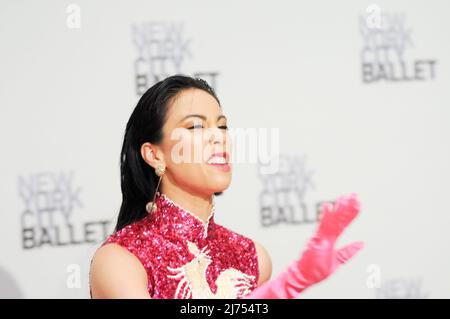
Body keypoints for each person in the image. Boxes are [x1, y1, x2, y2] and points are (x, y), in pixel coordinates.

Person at [89, 74, 363, 299]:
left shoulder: (252, 256)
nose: (218, 138)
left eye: (222, 127)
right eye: (195, 127)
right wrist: (294, 280)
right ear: (155, 154)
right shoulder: (121, 260)